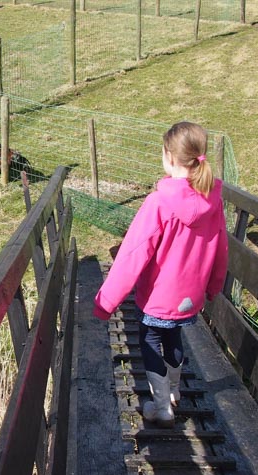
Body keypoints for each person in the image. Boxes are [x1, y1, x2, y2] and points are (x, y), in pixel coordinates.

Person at [93, 121, 228, 427]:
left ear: (168, 156)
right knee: (173, 335)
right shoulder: (213, 199)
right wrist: (215, 286)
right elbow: (221, 247)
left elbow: (133, 253)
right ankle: (175, 392)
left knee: (151, 339)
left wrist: (106, 301)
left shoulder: (159, 202)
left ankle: (162, 407)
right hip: (189, 296)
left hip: (158, 296)